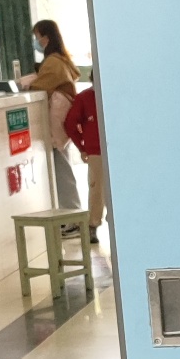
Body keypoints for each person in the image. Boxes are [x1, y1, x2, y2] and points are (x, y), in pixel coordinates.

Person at [19, 18, 82, 212]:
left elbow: (41, 86)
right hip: (62, 120)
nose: (36, 41)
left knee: (61, 167)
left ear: (45, 38)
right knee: (61, 163)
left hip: (55, 120)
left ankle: (70, 212)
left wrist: (26, 84)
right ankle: (69, 212)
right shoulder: (60, 59)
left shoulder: (53, 62)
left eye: (37, 36)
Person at [62, 80, 106, 244]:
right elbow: (70, 124)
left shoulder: (117, 94)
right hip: (96, 151)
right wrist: (82, 146)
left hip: (118, 150)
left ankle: (118, 223)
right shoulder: (84, 98)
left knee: (116, 189)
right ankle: (93, 224)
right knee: (97, 188)